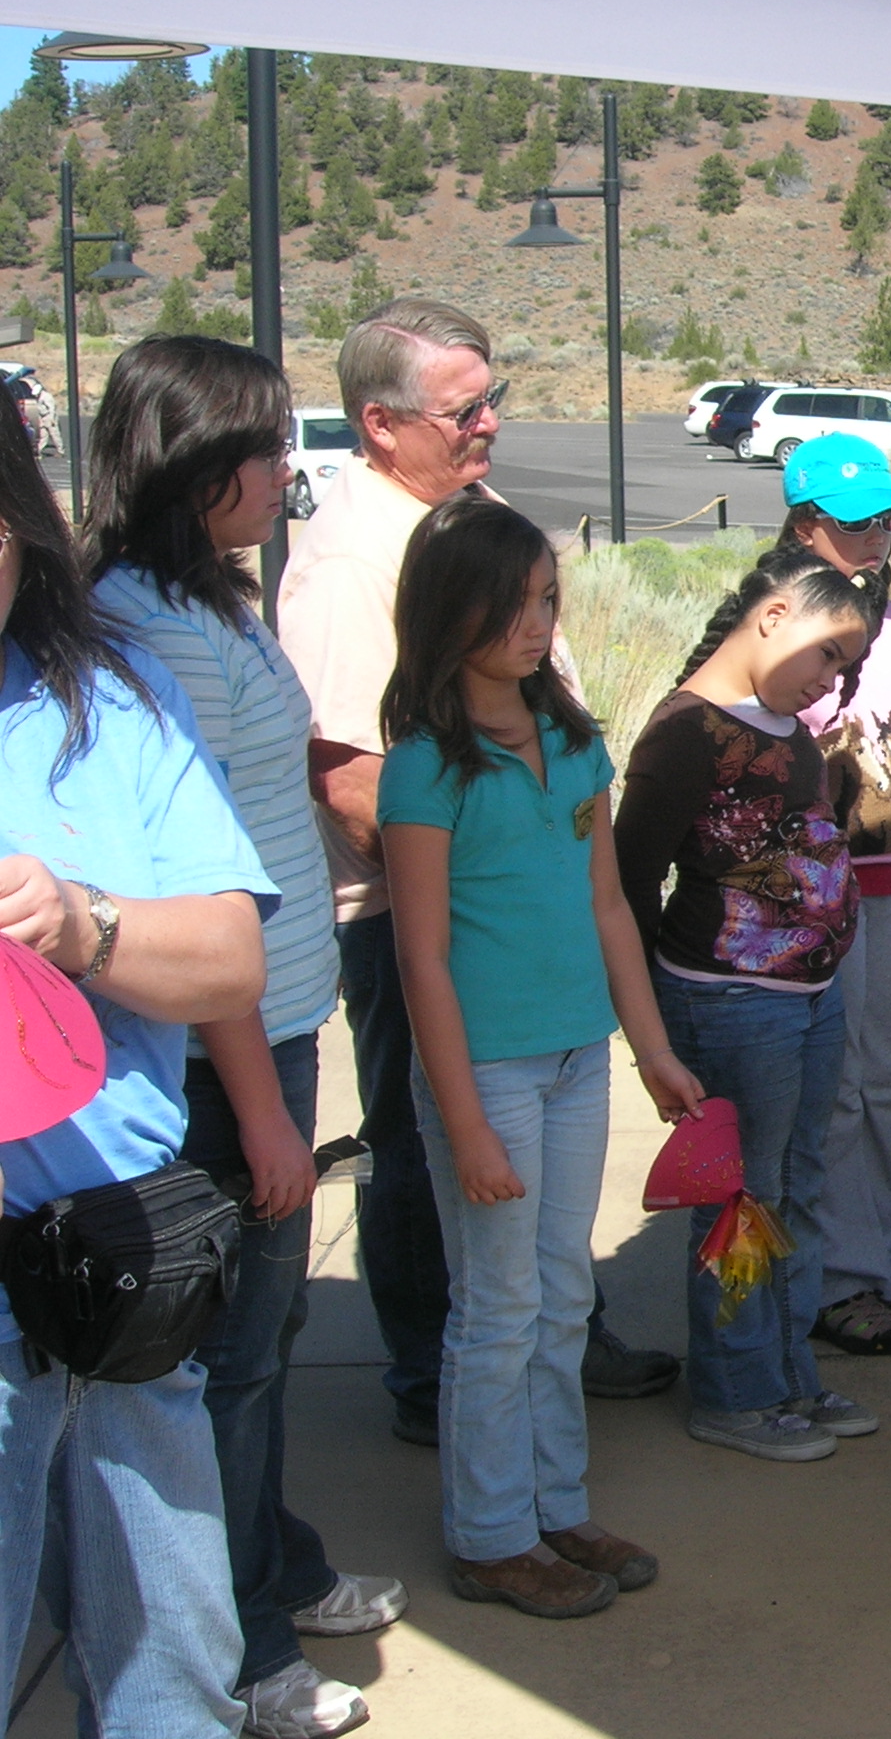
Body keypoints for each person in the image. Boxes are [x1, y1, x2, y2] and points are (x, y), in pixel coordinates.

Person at [278, 298, 674, 1447]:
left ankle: (544, 1359)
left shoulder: (458, 508)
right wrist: (491, 894)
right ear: (379, 424)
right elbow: (349, 771)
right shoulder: (352, 559)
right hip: (437, 926)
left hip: (526, 916)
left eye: (492, 398)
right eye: (465, 410)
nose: (490, 424)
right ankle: (434, 1385)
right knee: (425, 1153)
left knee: (519, 1209)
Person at [84, 336, 406, 1738]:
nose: (292, 475)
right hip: (228, 1051)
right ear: (201, 463)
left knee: (258, 1348)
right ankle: (244, 1652)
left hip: (272, 1019)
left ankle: (269, 1565)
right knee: (229, 1355)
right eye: (273, 450)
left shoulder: (198, 601)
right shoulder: (149, 634)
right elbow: (183, 885)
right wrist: (265, 1110)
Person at [0, 391, 274, 1736]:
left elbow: (229, 959)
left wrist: (82, 924)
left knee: (174, 1673)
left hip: (111, 1274)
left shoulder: (104, 697)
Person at [378, 496, 700, 1619]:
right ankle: (489, 1534)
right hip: (492, 1075)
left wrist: (650, 1048)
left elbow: (611, 904)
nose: (534, 622)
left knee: (564, 1297)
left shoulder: (571, 741)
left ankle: (555, 1505)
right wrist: (461, 1120)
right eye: (509, 603)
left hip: (576, 1061)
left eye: (546, 600)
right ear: (445, 610)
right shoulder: (424, 768)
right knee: (499, 1307)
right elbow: (419, 961)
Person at [613, 548, 875, 1461]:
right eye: (827, 655)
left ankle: (785, 1373)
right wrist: (650, 1031)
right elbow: (629, 878)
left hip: (808, 995)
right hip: (727, 1003)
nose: (827, 681)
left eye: (845, 667)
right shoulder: (687, 733)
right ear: (773, 616)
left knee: (795, 1186)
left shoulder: (788, 729)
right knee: (739, 1200)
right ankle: (734, 1389)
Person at [777, 436, 891, 1356]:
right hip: (816, 888)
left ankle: (880, 1263)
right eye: (856, 524)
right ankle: (838, 1279)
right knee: (836, 1088)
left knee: (877, 1079)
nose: (877, 538)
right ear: (806, 524)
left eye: (886, 519)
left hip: (888, 882)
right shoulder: (773, 620)